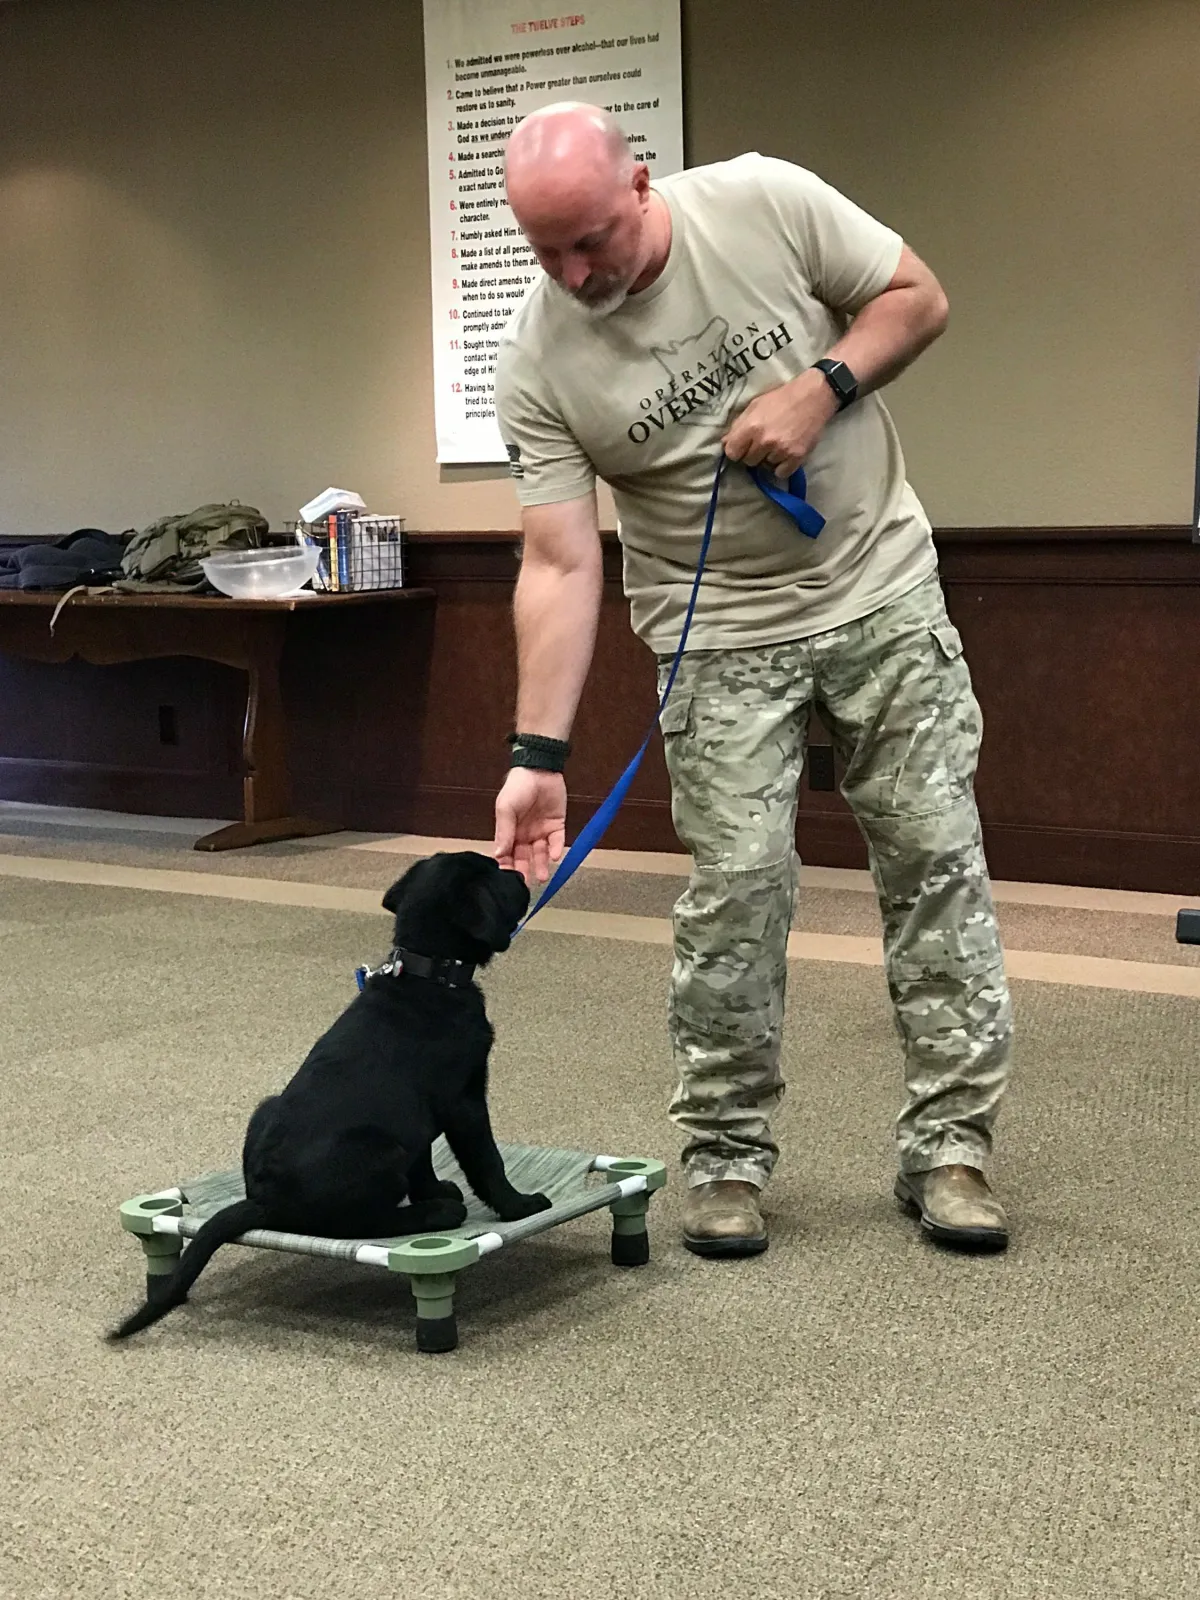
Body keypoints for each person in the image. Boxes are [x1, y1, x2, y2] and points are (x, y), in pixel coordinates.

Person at [490, 102, 1013, 1259]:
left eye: (592, 239)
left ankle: (953, 1147)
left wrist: (821, 384)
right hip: (715, 635)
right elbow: (562, 559)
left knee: (934, 863)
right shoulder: (536, 359)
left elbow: (916, 298)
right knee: (736, 895)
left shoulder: (762, 200)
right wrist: (537, 755)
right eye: (546, 252)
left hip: (879, 589)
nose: (576, 273)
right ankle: (725, 1160)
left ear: (640, 181)